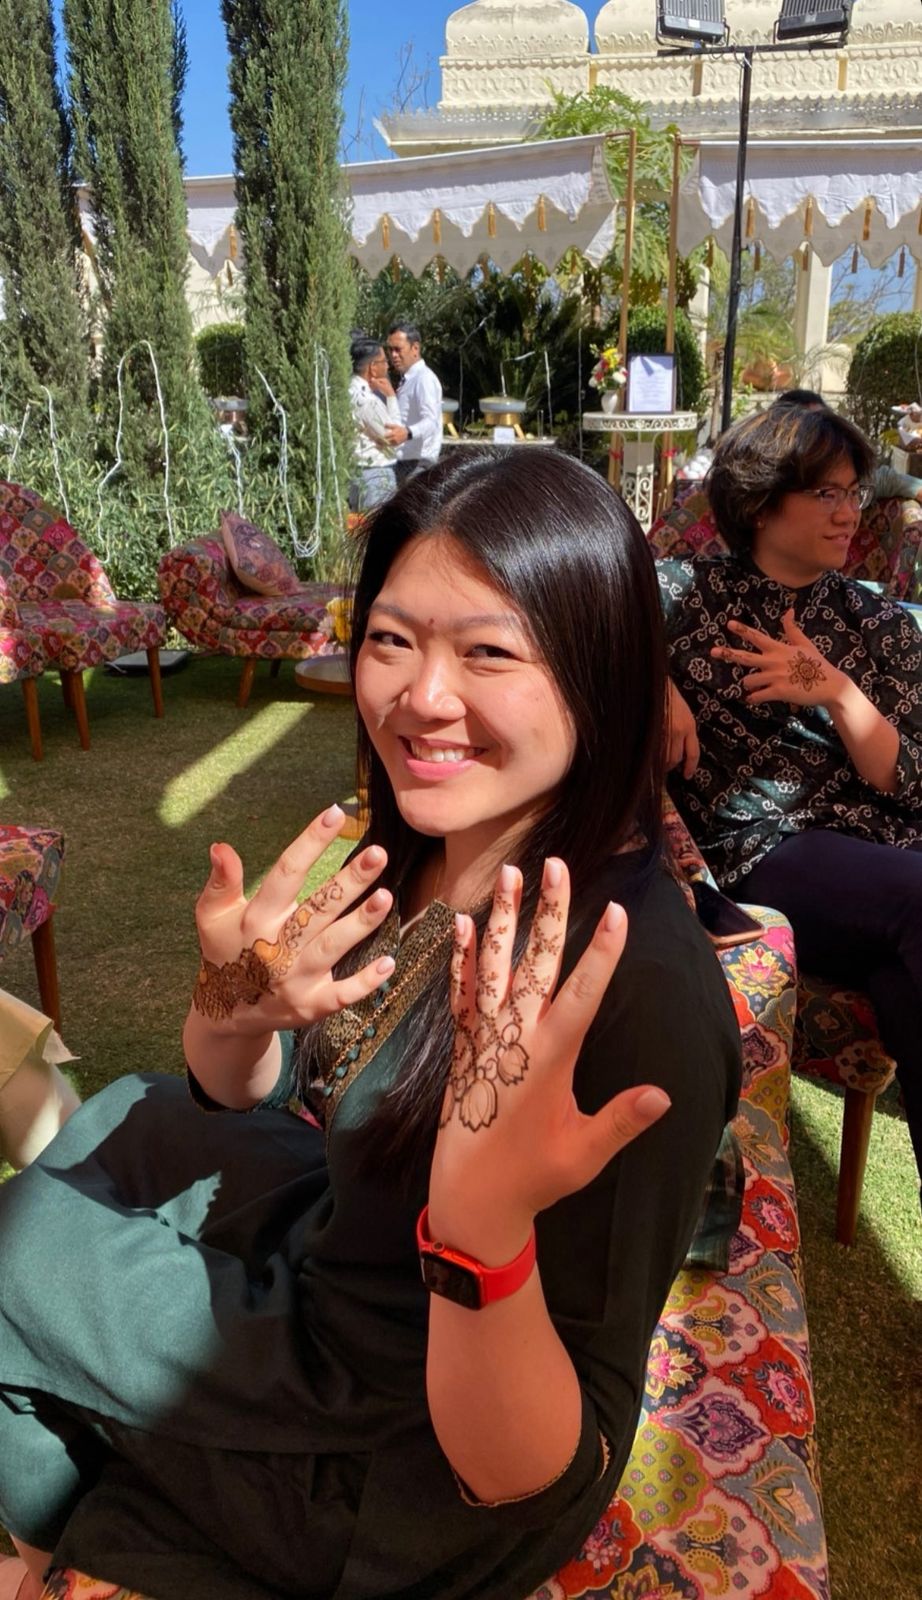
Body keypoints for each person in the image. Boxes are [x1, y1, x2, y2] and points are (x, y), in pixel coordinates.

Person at [0, 450, 740, 1600]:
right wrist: (234, 1009)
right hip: (349, 1251)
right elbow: (272, 1084)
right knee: (131, 1111)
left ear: (601, 670)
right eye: (392, 639)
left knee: (16, 1249)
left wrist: (482, 1230)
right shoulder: (441, 848)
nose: (420, 697)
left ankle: (67, 1547)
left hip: (406, 1453)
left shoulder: (625, 984)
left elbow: (542, 1467)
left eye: (488, 652)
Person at [661, 403, 922, 1188]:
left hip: (883, 861)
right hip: (765, 849)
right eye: (826, 494)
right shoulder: (681, 594)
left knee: (904, 988)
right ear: (760, 502)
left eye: (855, 493)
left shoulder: (878, 623)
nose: (850, 514)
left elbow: (908, 776)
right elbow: (558, 617)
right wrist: (649, 683)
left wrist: (836, 691)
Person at [385, 321, 443, 481]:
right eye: (390, 350)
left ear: (415, 348)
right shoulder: (410, 379)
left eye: (398, 349)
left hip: (417, 465)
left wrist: (408, 433)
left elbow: (431, 422)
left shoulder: (423, 379)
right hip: (405, 463)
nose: (393, 355)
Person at [348, 336, 400, 512]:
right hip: (375, 475)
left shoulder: (348, 391)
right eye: (384, 361)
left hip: (358, 472)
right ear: (373, 367)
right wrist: (391, 396)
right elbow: (393, 436)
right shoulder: (367, 401)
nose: (388, 366)